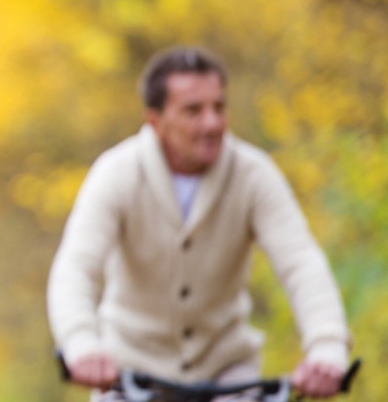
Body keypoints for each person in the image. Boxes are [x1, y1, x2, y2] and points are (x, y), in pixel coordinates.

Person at [46, 47, 351, 400]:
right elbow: (76, 268)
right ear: (155, 122)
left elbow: (301, 264)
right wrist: (81, 344)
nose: (212, 123)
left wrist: (328, 348)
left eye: (219, 107)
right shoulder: (116, 174)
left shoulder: (254, 175)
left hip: (227, 371)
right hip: (130, 374)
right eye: (193, 110)